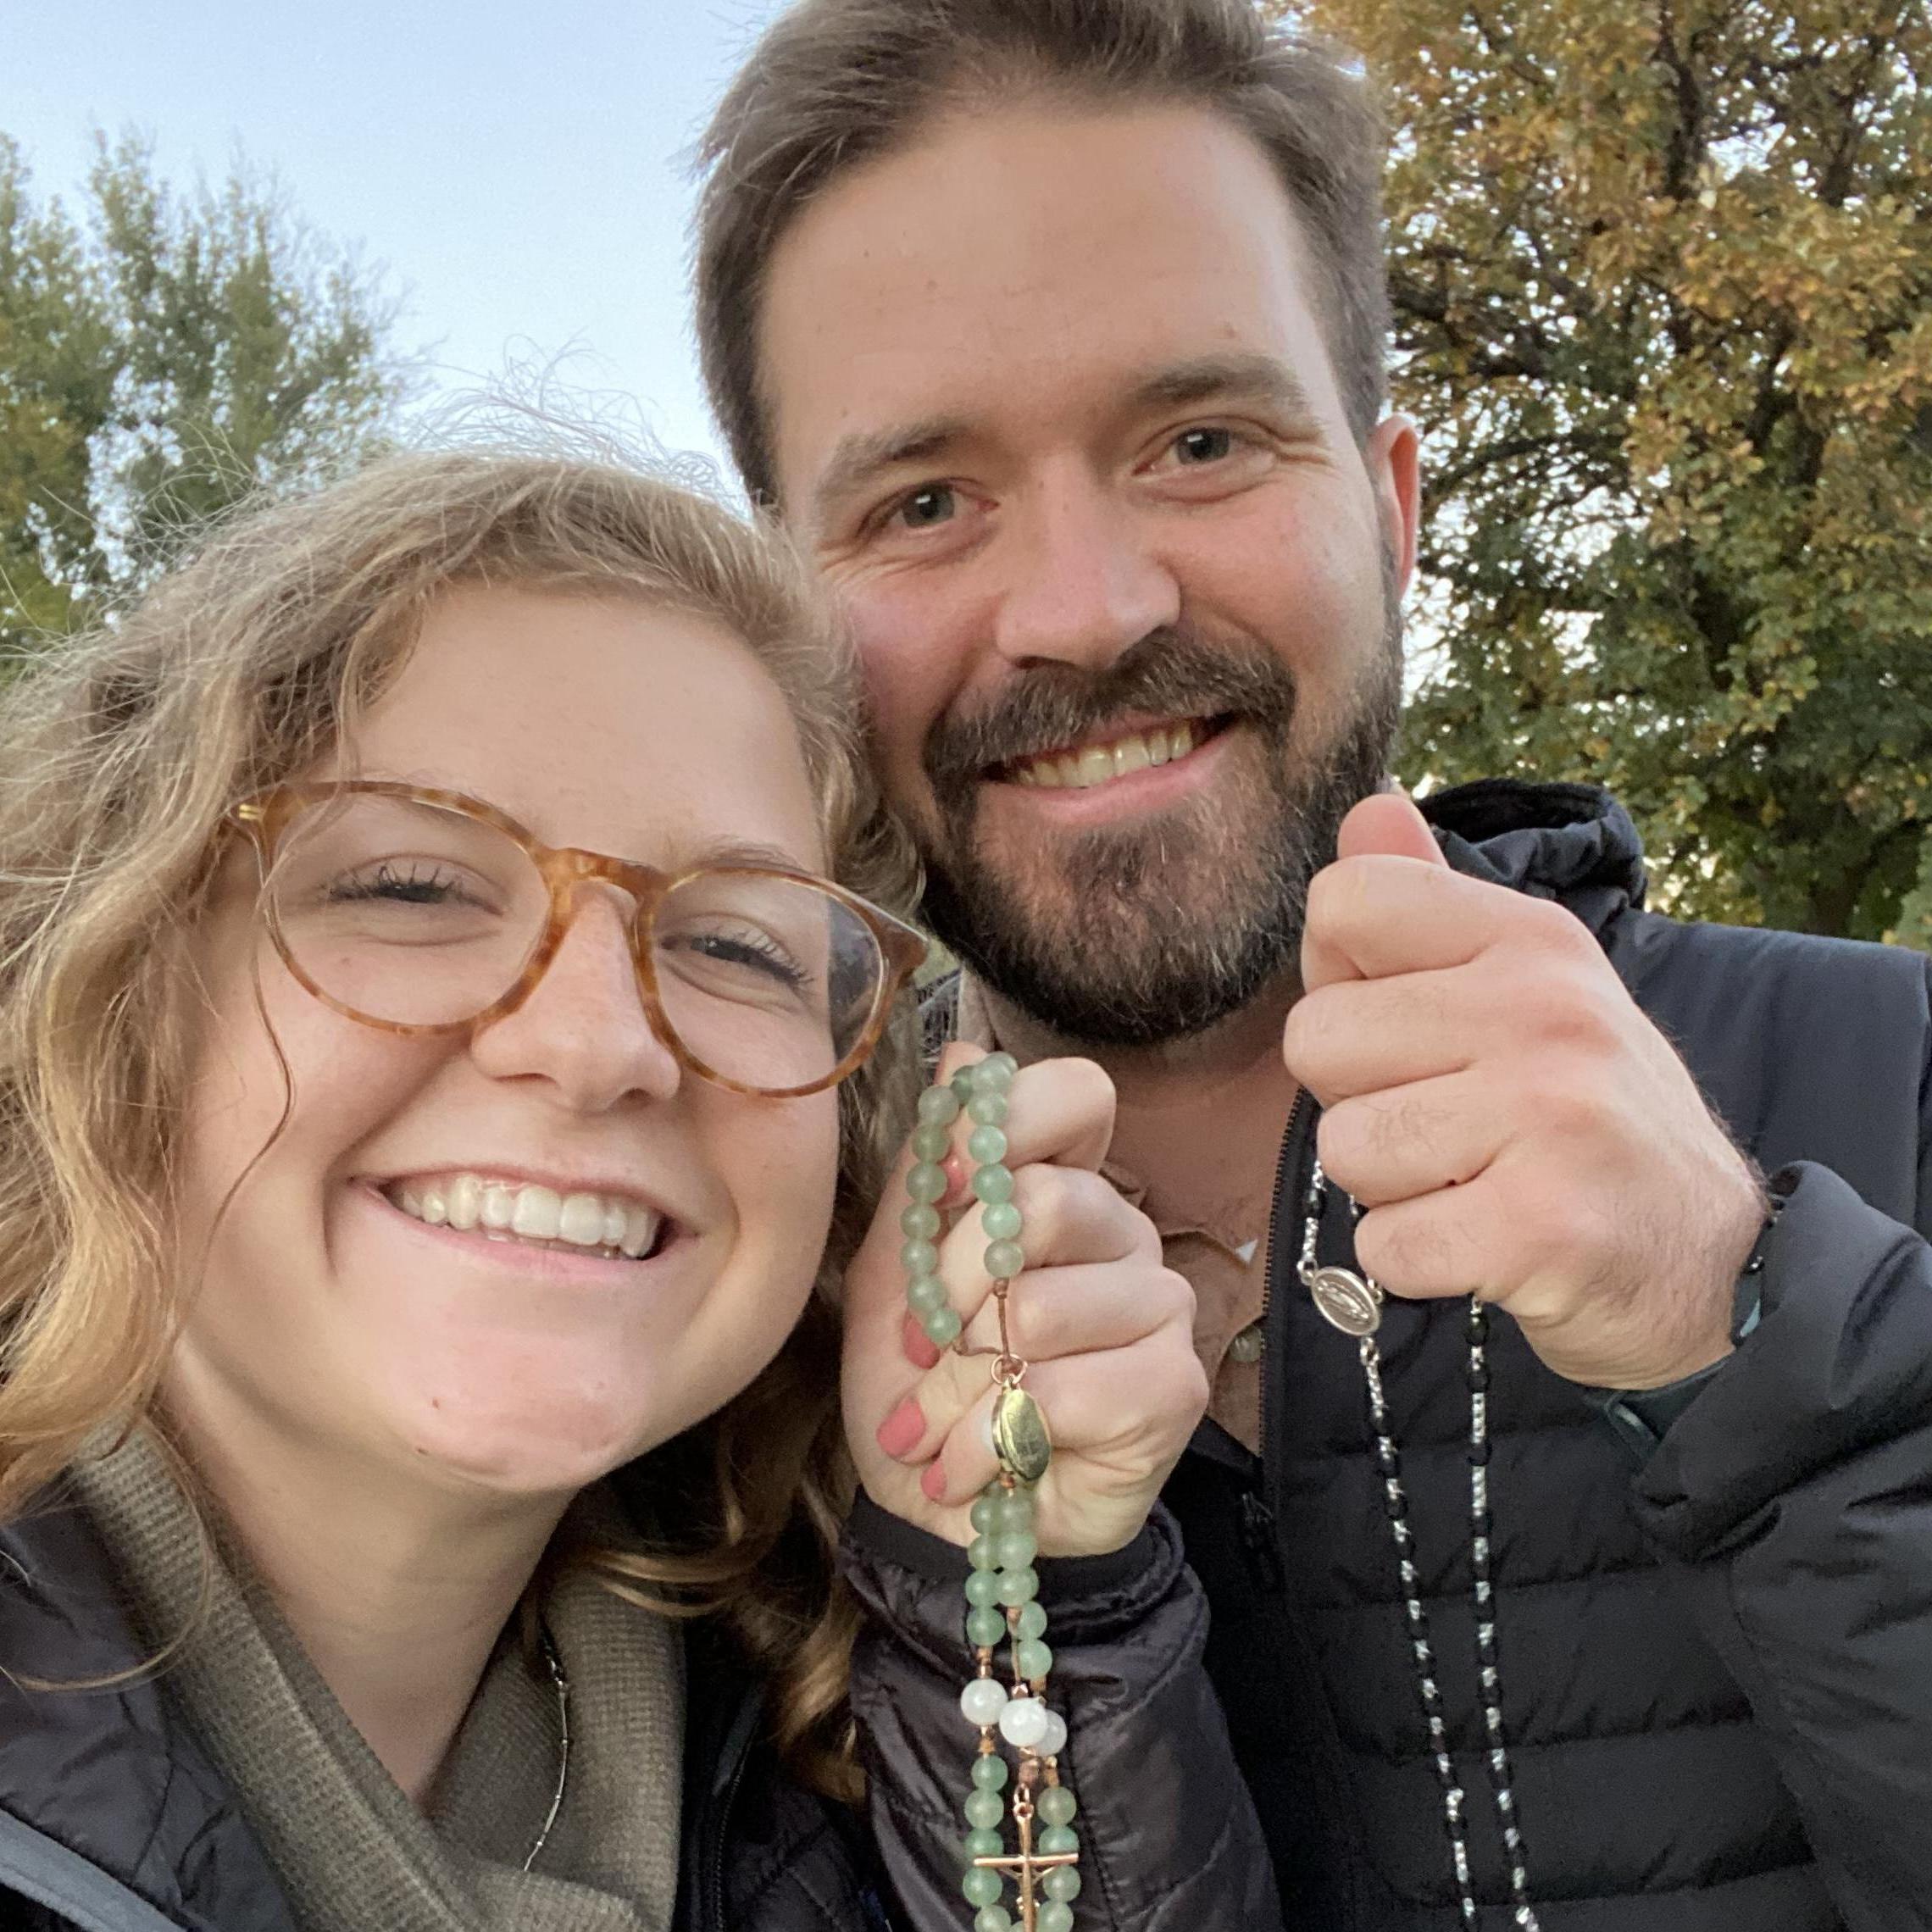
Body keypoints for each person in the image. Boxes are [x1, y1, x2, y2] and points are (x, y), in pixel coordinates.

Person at [692, 3, 1932, 1928]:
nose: (1088, 611)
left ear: (1394, 510)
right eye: (923, 503)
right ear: (781, 618)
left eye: (1201, 442)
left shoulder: (1900, 1072)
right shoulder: (709, 1346)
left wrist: (1761, 1340)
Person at [0, 450, 1277, 1932]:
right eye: (413, 886)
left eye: (735, 945)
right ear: (118, 984)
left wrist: (997, 1582)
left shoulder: (802, 1742)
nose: (601, 1043)